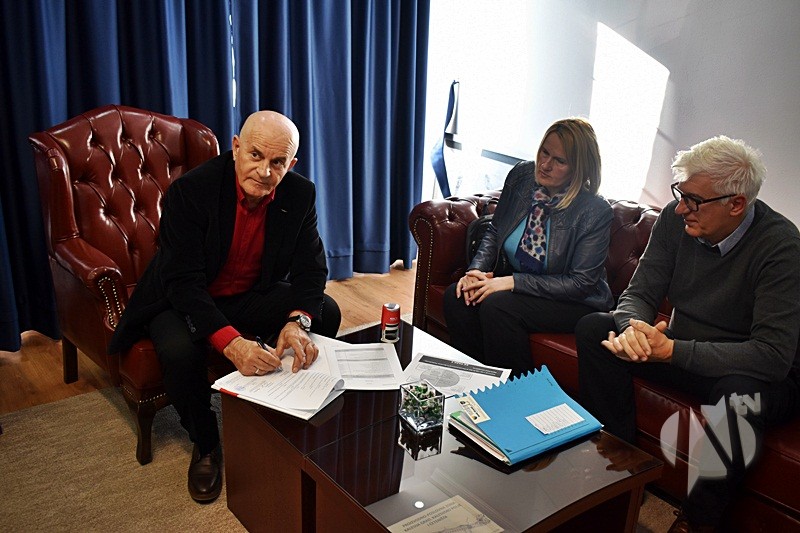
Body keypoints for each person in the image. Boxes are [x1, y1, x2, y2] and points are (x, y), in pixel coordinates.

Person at [108, 110, 341, 503]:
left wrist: (296, 323)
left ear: (291, 164)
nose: (264, 172)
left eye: (277, 162)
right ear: (236, 148)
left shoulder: (300, 194)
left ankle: (279, 407)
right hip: (181, 299)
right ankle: (206, 444)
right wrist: (232, 344)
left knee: (326, 311)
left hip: (247, 294)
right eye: (255, 155)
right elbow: (182, 282)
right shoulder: (191, 191)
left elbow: (311, 269)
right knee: (179, 351)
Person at [576, 135, 800, 532]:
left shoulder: (782, 246)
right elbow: (638, 294)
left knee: (738, 399)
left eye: (693, 200)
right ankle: (623, 467)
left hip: (753, 371)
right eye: (680, 194)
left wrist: (671, 351)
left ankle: (696, 521)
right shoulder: (674, 220)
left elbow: (770, 355)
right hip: (682, 349)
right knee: (596, 329)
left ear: (736, 204)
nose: (681, 207)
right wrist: (634, 330)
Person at [443, 118, 614, 376]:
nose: (545, 165)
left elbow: (580, 283)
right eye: (544, 152)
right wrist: (475, 271)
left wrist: (511, 282)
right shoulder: (523, 175)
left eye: (559, 161)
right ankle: (475, 381)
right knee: (458, 296)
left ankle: (516, 392)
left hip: (577, 301)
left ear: (579, 169)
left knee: (498, 307)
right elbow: (496, 230)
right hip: (524, 285)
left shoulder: (595, 211)